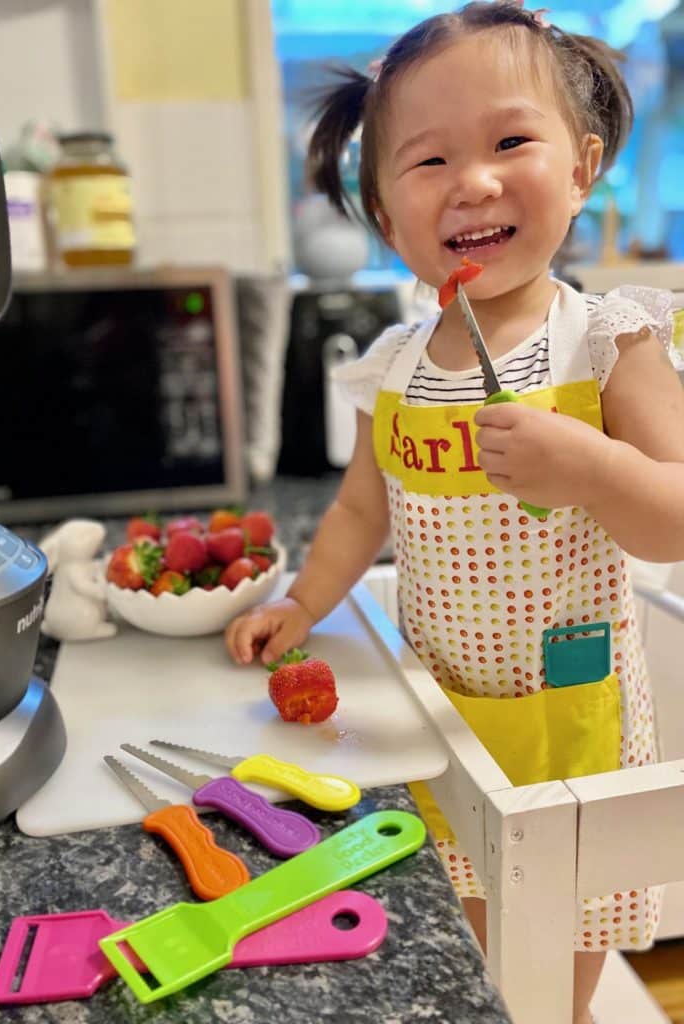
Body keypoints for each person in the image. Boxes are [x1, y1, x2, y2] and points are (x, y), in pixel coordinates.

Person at [225, 3, 684, 1020]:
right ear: (388, 219)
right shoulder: (392, 367)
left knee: (553, 949)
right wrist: (301, 606)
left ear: (583, 166)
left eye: (512, 141)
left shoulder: (609, 340)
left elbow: (675, 519)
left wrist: (595, 466)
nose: (474, 180)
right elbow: (359, 507)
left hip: (576, 727)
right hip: (441, 718)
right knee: (471, 944)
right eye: (429, 162)